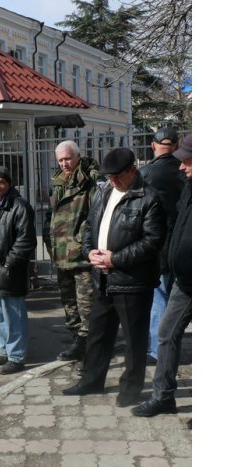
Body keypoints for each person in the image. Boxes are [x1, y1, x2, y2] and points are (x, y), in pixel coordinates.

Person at [62, 148, 166, 408]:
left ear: (133, 169)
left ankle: (131, 388)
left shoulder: (149, 197)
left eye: (118, 176)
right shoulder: (103, 192)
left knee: (133, 339)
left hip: (132, 281)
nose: (113, 181)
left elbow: (153, 241)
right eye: (110, 177)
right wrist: (90, 252)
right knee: (98, 335)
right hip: (103, 278)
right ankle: (91, 381)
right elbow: (89, 226)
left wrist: (115, 258)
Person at [132, 134, 192, 417]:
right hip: (184, 279)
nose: (181, 167)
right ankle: (163, 397)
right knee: (166, 332)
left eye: (187, 161)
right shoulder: (190, 187)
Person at [0, 167, 37, 374]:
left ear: (9, 184)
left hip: (9, 271)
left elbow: (25, 241)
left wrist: (9, 263)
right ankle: (2, 351)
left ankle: (16, 356)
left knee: (13, 316)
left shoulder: (20, 207)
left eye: (1, 182)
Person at [49, 140, 99, 362]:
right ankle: (77, 342)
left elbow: (95, 216)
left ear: (78, 156)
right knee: (69, 305)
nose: (64, 164)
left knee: (86, 305)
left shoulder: (91, 180)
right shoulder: (58, 181)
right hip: (61, 255)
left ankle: (89, 348)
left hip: (80, 256)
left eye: (68, 158)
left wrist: (82, 242)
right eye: (60, 160)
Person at [138, 128, 185, 365]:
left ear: (153, 145)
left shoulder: (145, 174)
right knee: (177, 300)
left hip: (157, 246)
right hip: (183, 244)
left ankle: (159, 351)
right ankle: (171, 346)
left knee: (159, 300)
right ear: (176, 146)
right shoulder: (186, 170)